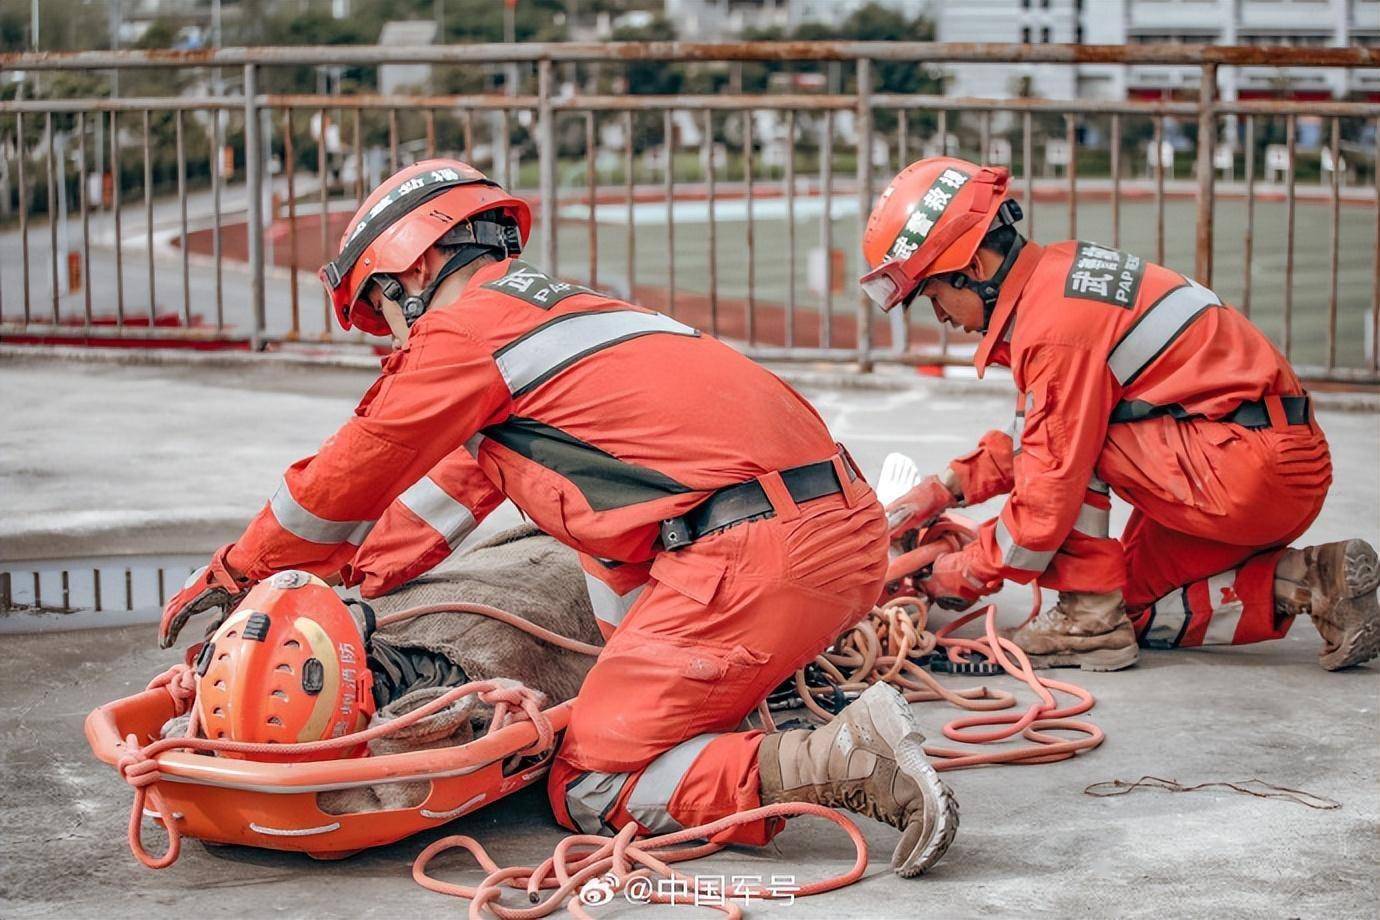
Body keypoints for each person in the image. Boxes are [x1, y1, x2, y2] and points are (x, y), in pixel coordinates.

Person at [158, 159, 958, 876]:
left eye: (383, 307)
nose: (393, 336)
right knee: (613, 585)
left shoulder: (466, 335)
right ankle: (720, 718)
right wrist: (344, 591)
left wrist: (244, 574)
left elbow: (343, 480)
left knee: (592, 783)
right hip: (836, 531)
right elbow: (443, 498)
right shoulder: (570, 323)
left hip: (756, 559)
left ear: (420, 263)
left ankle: (845, 758)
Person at [860, 156, 1379, 673]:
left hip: (1245, 472)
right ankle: (1313, 580)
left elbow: (1046, 493)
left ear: (973, 269)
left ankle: (1085, 619)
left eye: (935, 296)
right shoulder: (1058, 280)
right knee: (1130, 604)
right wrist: (948, 487)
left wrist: (957, 573)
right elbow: (1038, 439)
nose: (943, 318)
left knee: (1069, 456)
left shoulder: (1055, 331)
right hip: (1261, 466)